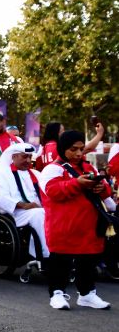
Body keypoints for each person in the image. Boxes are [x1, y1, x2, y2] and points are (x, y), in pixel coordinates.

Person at [40, 131, 115, 310]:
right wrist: (77, 184)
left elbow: (106, 192)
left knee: (88, 260)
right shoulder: (53, 168)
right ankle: (56, 294)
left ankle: (87, 294)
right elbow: (53, 191)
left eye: (81, 149)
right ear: (63, 148)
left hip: (89, 225)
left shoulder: (89, 168)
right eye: (73, 149)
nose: (79, 153)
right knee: (61, 260)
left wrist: (100, 187)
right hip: (64, 226)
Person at [0, 143, 49, 261]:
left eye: (30, 157)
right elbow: (0, 198)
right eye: (24, 157)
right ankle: (45, 255)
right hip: (15, 214)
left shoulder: (36, 174)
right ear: (13, 157)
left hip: (38, 210)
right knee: (39, 214)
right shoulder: (2, 174)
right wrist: (24, 205)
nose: (28, 160)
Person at [37, 121, 105, 171]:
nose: (65, 133)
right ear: (56, 133)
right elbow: (88, 148)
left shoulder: (43, 149)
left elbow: (39, 168)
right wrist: (99, 134)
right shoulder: (61, 147)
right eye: (62, 131)